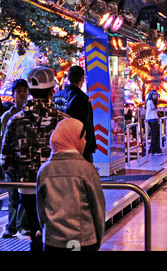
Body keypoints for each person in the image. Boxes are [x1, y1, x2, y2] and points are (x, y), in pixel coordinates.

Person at [1, 66, 69, 251]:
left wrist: (20, 179)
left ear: (29, 91)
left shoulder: (15, 121)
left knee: (34, 229)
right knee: (55, 233)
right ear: (52, 91)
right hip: (57, 187)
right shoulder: (64, 120)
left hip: (27, 188)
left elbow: (5, 158)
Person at [37, 118, 105, 251]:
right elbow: (98, 210)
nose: (85, 142)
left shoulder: (44, 170)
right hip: (82, 241)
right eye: (83, 137)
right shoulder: (87, 170)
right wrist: (97, 239)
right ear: (73, 138)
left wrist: (47, 234)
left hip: (53, 242)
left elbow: (41, 210)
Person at [0, 79, 30, 238]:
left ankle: (22, 226)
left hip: (27, 162)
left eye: (25, 91)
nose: (22, 94)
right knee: (12, 196)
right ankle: (11, 227)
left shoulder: (30, 114)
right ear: (13, 94)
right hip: (11, 162)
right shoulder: (7, 116)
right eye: (19, 91)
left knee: (25, 195)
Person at [52, 65, 97, 162]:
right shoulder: (82, 98)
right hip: (78, 146)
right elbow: (84, 124)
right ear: (82, 79)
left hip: (59, 142)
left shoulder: (56, 97)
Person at [145, 90, 162, 155]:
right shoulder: (149, 102)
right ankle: (154, 150)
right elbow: (148, 110)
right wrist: (146, 118)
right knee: (154, 135)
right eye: (154, 94)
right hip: (152, 119)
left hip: (154, 119)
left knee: (156, 135)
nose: (156, 96)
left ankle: (157, 150)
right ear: (151, 95)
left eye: (156, 94)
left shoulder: (152, 102)